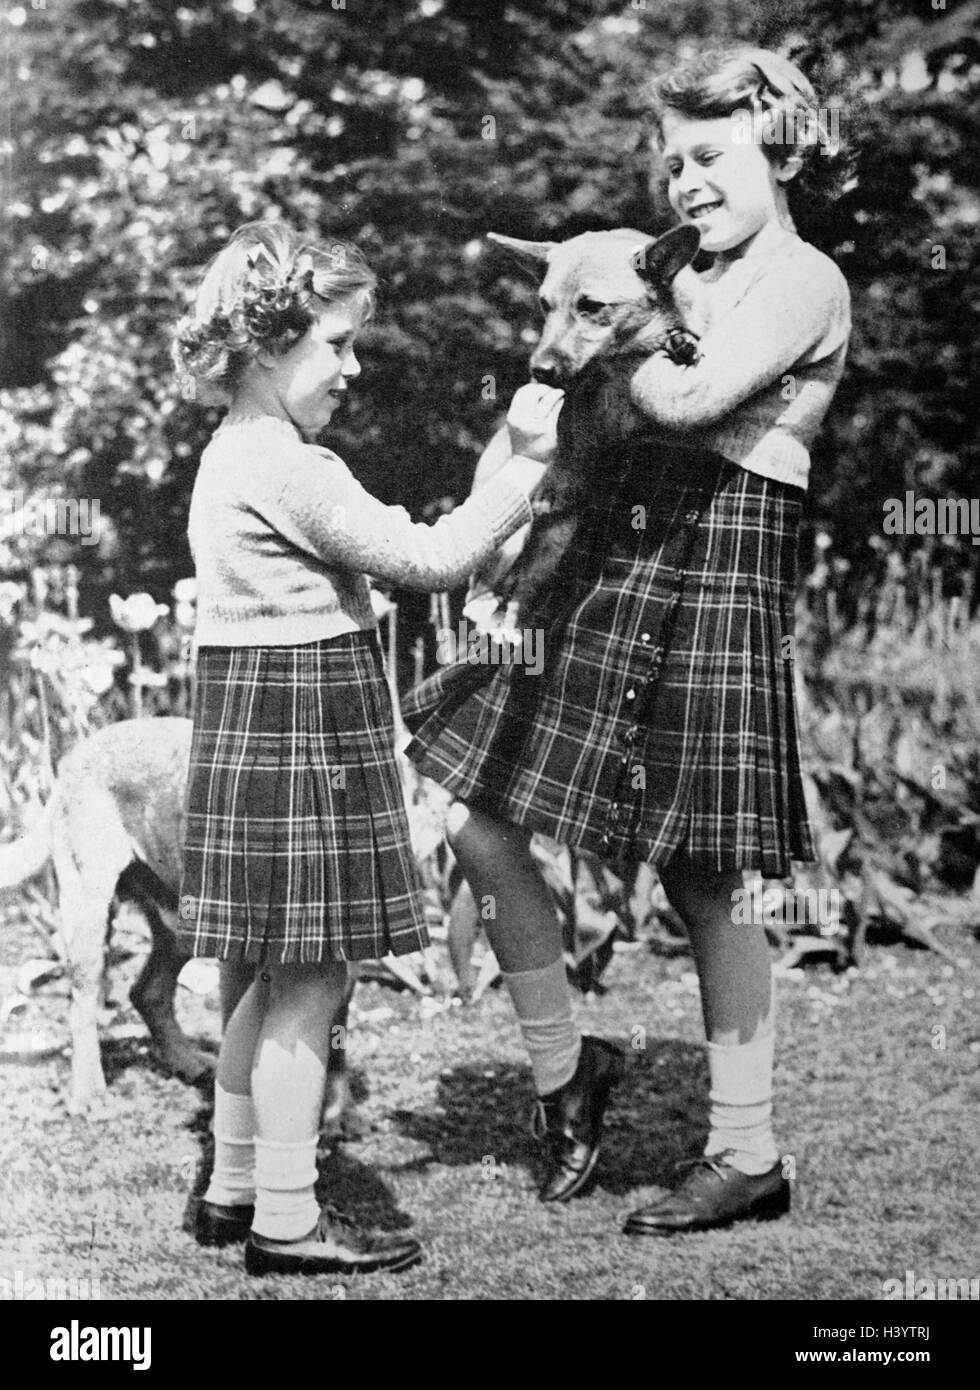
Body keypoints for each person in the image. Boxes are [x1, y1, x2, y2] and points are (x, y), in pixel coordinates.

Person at [403, 46, 851, 1235]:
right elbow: (574, 406)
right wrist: (596, 303)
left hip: (715, 563)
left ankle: (747, 1150)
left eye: (711, 156)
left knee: (707, 868)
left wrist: (619, 313)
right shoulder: (655, 270)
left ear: (782, 148)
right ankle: (566, 1072)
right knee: (472, 807)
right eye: (670, 162)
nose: (686, 183)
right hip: (609, 551)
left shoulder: (800, 279)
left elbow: (693, 405)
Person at [172, 220, 559, 1276]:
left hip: (264, 715)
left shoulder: (230, 455)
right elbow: (426, 558)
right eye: (334, 343)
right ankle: (286, 1224)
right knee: (312, 980)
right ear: (266, 345)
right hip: (303, 725)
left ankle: (234, 1184)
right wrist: (527, 467)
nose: (350, 366)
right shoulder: (288, 465)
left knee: (269, 972)